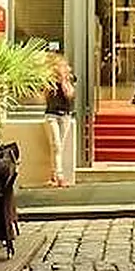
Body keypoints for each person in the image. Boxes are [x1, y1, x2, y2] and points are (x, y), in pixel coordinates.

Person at [44, 49, 77, 188]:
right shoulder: (49, 81)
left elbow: (70, 95)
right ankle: (60, 175)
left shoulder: (70, 79)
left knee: (59, 147)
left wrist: (64, 80)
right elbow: (44, 96)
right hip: (51, 115)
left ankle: (53, 175)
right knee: (56, 145)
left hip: (65, 115)